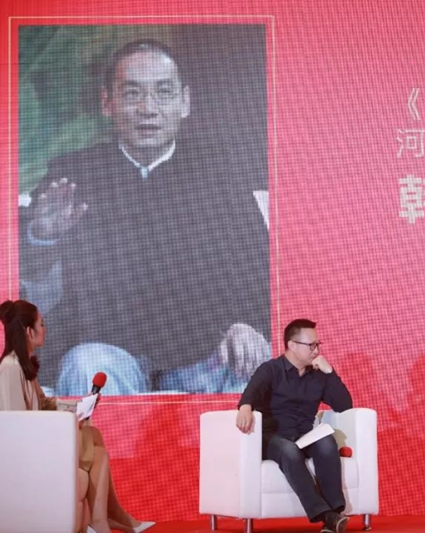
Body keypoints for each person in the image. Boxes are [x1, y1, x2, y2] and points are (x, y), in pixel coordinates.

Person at [18, 38, 269, 394]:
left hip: (201, 352)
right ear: (107, 102)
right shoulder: (74, 172)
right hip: (106, 350)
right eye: (132, 93)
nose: (148, 108)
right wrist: (43, 234)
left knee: (253, 364)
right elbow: (23, 269)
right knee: (86, 367)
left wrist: (248, 324)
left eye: (163, 93)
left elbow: (259, 263)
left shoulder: (220, 171)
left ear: (185, 102)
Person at [0, 299, 155, 533]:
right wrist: (66, 423)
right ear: (29, 332)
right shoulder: (10, 368)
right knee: (94, 443)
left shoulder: (23, 365)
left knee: (97, 445)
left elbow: (43, 403)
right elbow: (17, 426)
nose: (45, 329)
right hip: (31, 454)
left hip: (39, 444)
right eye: (42, 324)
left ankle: (103, 520)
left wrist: (80, 405)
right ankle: (108, 519)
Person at [235, 319, 353, 533]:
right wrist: (245, 408)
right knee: (288, 450)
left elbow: (344, 405)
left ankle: (336, 511)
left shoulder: (319, 374)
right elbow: (250, 395)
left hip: (304, 436)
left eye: (318, 344)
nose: (316, 350)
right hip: (273, 438)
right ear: (292, 345)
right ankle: (326, 516)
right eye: (311, 345)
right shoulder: (271, 369)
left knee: (326, 442)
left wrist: (330, 372)